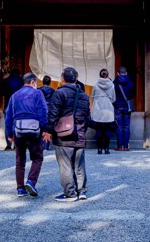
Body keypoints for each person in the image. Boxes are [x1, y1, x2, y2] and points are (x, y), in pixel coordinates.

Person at [46, 66, 91, 202]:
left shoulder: (59, 93)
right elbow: (87, 116)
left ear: (62, 79)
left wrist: (48, 130)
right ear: (76, 79)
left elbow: (53, 113)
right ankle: (81, 191)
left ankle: (70, 194)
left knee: (65, 165)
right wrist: (83, 129)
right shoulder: (84, 95)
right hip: (80, 133)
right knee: (79, 164)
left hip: (64, 134)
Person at [4, 72, 48, 197]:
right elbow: (43, 111)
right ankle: (31, 181)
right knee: (37, 158)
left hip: (18, 129)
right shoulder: (38, 93)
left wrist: (9, 133)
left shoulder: (15, 95)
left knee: (20, 160)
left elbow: (9, 115)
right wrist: (44, 128)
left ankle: (20, 188)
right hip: (34, 129)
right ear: (33, 82)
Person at [90, 69, 116, 155]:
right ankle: (107, 149)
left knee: (99, 129)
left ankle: (99, 149)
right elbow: (114, 98)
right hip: (108, 109)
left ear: (100, 75)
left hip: (98, 109)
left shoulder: (96, 84)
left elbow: (92, 96)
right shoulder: (111, 85)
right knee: (107, 129)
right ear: (107, 75)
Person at [0, 68, 23, 150]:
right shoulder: (22, 81)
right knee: (18, 124)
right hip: (19, 106)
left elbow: (2, 93)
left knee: (8, 124)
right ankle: (17, 144)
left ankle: (9, 144)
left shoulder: (5, 81)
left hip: (8, 104)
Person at [112, 66, 134, 151]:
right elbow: (132, 94)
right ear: (126, 73)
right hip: (127, 106)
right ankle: (126, 146)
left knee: (119, 126)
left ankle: (119, 146)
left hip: (118, 105)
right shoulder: (131, 83)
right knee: (127, 126)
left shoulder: (114, 83)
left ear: (118, 73)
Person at [39, 75, 56, 150]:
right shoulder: (52, 91)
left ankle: (41, 144)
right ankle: (47, 145)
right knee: (48, 128)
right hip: (49, 110)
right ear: (50, 82)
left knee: (40, 127)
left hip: (40, 110)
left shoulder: (38, 90)